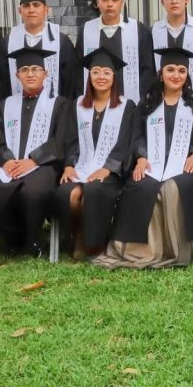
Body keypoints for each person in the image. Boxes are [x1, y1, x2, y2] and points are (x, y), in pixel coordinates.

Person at [96, 47, 193, 269]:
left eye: (182, 70)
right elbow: (136, 136)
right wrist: (141, 158)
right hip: (151, 163)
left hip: (186, 164)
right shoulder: (146, 104)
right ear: (161, 73)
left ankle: (178, 248)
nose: (176, 75)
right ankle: (143, 250)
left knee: (173, 187)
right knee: (141, 185)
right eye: (170, 69)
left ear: (187, 75)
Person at [0, 46, 69, 260]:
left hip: (43, 166)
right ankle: (7, 238)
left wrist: (34, 160)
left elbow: (59, 141)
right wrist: (6, 161)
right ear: (17, 75)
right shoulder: (5, 105)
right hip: (11, 164)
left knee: (33, 192)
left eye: (35, 69)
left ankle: (31, 240)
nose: (30, 74)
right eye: (24, 70)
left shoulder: (60, 104)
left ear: (45, 73)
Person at [55, 46, 135, 260]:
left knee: (92, 191)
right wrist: (68, 165)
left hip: (111, 172)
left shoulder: (126, 107)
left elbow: (126, 143)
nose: (101, 77)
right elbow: (70, 140)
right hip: (80, 167)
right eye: (96, 72)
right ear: (89, 76)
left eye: (106, 73)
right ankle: (78, 237)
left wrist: (108, 168)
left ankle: (93, 242)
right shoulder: (77, 105)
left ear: (114, 77)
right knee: (70, 195)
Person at [79, 0, 155, 105]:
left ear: (122, 3)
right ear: (97, 2)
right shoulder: (86, 30)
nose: (110, 4)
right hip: (96, 103)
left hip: (131, 104)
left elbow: (147, 69)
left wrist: (142, 102)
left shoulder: (138, 29)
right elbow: (78, 70)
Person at [4, 0, 78, 99]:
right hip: (17, 107)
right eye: (26, 5)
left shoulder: (62, 42)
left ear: (46, 9)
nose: (31, 10)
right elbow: (1, 82)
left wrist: (63, 107)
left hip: (56, 107)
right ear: (20, 10)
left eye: (36, 5)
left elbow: (71, 83)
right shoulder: (8, 42)